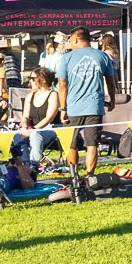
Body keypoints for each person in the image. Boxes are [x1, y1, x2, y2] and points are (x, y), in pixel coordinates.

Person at [52, 28, 115, 185]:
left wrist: (62, 109)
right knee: (92, 144)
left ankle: (74, 177)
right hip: (95, 106)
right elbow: (110, 81)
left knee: (71, 143)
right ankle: (89, 177)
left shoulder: (66, 58)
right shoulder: (102, 56)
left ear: (74, 40)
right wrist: (112, 99)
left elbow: (62, 85)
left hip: (73, 108)